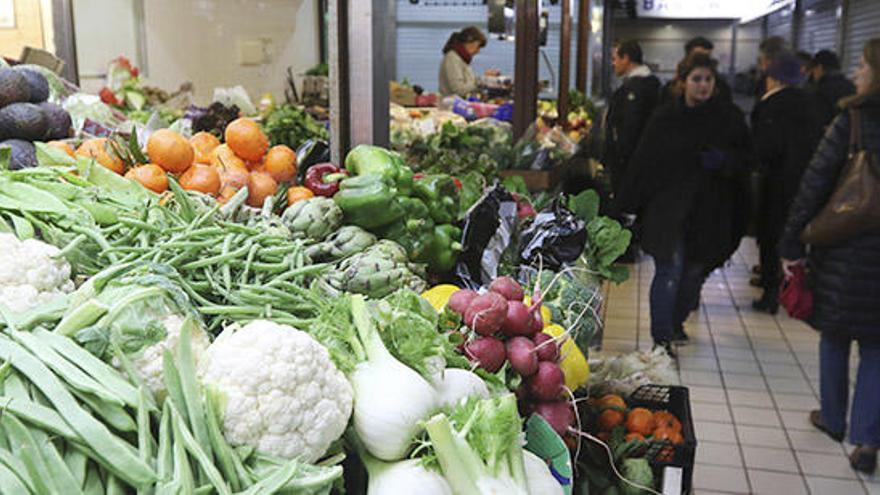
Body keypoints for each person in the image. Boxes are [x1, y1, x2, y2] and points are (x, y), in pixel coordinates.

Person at [779, 38, 880, 475]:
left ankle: (834, 418)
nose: (856, 73)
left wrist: (790, 243)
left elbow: (814, 183)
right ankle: (868, 438)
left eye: (863, 65)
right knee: (879, 347)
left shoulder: (852, 120)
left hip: (846, 249)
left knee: (836, 336)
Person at [617, 54, 752, 354]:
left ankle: (676, 323)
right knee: (669, 269)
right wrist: (627, 205)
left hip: (708, 210)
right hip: (667, 209)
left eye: (708, 79)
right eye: (697, 79)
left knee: (693, 272)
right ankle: (661, 338)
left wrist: (724, 162)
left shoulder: (727, 118)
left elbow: (745, 160)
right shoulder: (665, 118)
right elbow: (644, 162)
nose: (703, 85)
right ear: (683, 82)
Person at [750, 52, 823, 314]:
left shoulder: (770, 106)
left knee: (770, 237)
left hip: (775, 182)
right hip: (805, 183)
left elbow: (764, 148)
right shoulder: (810, 103)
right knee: (794, 236)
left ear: (773, 78)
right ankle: (793, 289)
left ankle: (770, 294)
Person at [603, 40, 660, 263]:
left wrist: (618, 156)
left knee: (626, 202)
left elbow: (630, 129)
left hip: (629, 161)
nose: (614, 63)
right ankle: (631, 244)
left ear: (627, 59)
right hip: (639, 161)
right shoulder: (650, 85)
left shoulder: (636, 89)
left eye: (616, 58)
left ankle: (625, 249)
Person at [660, 36, 732, 104]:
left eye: (708, 57)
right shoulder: (670, 89)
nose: (704, 85)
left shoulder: (722, 88)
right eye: (698, 56)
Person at [811, 49, 857, 128]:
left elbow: (819, 121)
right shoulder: (852, 85)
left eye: (813, 69)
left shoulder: (821, 89)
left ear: (819, 67)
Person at [438, 26, 487, 97]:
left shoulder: (462, 59)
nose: (478, 51)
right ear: (469, 41)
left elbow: (469, 83)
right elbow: (459, 89)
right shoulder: (452, 58)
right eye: (478, 46)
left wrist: (484, 79)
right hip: (451, 106)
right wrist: (481, 82)